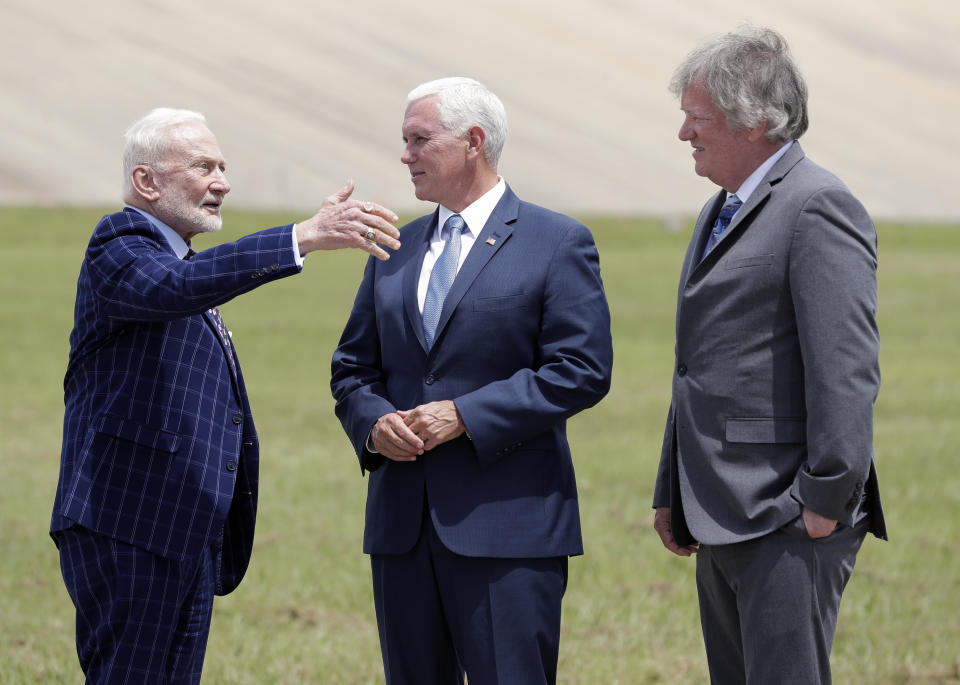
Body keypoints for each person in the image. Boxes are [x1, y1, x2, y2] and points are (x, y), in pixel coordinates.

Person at [50, 107, 400, 684]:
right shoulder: (120, 243)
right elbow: (179, 288)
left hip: (184, 529)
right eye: (203, 166)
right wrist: (300, 238)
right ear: (147, 182)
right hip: (127, 523)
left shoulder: (177, 258)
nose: (223, 182)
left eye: (224, 166)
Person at [330, 77, 613, 684]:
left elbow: (582, 371)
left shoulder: (557, 242)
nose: (405, 155)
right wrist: (372, 423)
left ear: (473, 142)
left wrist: (464, 415)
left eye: (418, 140)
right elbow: (352, 368)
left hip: (508, 532)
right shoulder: (395, 247)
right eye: (404, 140)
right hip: (402, 531)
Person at [652, 26, 887, 684]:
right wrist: (675, 486)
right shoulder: (719, 209)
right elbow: (700, 359)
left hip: (785, 514)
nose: (684, 135)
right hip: (722, 509)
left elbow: (846, 367)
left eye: (696, 119)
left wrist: (823, 499)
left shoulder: (818, 207)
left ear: (755, 120)